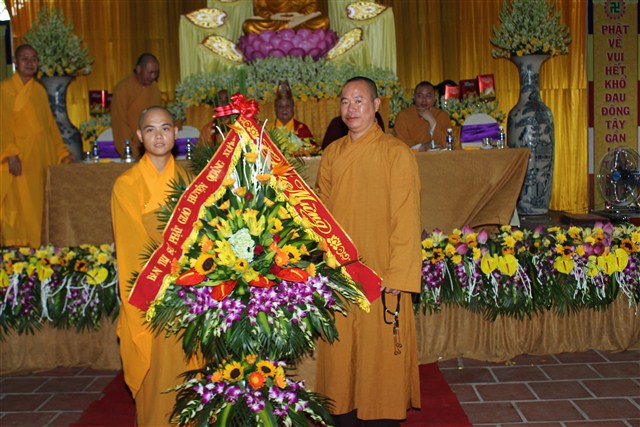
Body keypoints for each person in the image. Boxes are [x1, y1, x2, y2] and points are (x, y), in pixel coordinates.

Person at [314, 77, 422, 426]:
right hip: (342, 272)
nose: (351, 108)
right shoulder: (332, 154)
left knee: (379, 355)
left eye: (359, 101)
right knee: (341, 350)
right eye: (345, 101)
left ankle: (381, 417)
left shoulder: (396, 153)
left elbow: (406, 218)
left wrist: (398, 276)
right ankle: (341, 414)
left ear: (376, 105)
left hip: (380, 272)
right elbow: (320, 214)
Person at [111, 106, 199, 426]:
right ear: (139, 136)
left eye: (165, 128)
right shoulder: (127, 185)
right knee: (156, 383)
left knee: (192, 376)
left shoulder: (191, 182)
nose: (158, 136)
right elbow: (131, 249)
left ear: (176, 132)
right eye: (150, 130)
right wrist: (162, 288)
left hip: (191, 294)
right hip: (153, 295)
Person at [0, 44, 74, 248]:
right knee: (19, 207)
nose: (30, 62)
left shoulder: (39, 91)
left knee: (38, 207)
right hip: (18, 161)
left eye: (33, 58)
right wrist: (10, 153)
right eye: (25, 58)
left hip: (40, 160)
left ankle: (37, 253)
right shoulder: (5, 90)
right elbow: (2, 125)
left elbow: (50, 127)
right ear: (15, 62)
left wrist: (62, 152)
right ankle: (18, 254)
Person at [111, 53, 162, 159]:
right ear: (138, 69)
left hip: (153, 148)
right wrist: (132, 152)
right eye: (150, 72)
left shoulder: (155, 88)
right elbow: (120, 124)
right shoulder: (123, 89)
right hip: (133, 149)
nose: (153, 76)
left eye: (156, 73)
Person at [393, 81, 450, 150]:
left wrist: (432, 120)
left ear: (435, 98)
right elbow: (400, 142)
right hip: (411, 155)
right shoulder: (404, 115)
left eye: (428, 96)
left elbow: (447, 143)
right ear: (414, 97)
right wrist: (421, 146)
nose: (424, 100)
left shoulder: (442, 115)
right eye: (420, 96)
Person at [243, 0, 330, 34]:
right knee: (249, 26)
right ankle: (288, 30)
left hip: (299, 21)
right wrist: (272, 16)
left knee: (323, 22)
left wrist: (301, 16)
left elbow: (312, 5)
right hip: (275, 22)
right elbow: (259, 8)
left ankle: (283, 31)